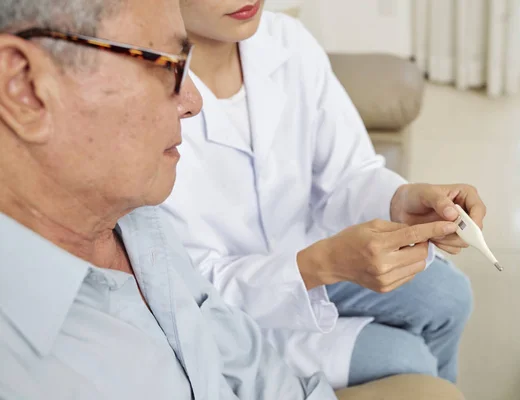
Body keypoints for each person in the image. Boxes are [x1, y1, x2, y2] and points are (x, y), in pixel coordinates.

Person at [0, 1, 338, 399]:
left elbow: (258, 372)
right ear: (24, 86)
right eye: (168, 65)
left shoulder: (141, 223)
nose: (193, 101)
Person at [161, 0, 483, 390]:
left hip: (318, 258)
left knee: (450, 295)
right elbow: (189, 290)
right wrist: (319, 265)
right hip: (234, 317)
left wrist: (400, 200)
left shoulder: (287, 41)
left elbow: (349, 172)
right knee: (408, 360)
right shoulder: (147, 96)